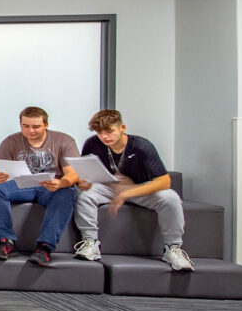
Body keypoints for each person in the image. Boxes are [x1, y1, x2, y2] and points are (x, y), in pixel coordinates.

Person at [73, 109, 194, 271]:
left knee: (170, 197)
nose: (105, 137)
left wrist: (126, 193)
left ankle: (173, 248)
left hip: (140, 189)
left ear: (122, 127)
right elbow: (86, 173)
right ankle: (90, 243)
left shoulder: (142, 146)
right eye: (100, 132)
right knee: (84, 193)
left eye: (109, 131)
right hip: (108, 187)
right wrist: (83, 182)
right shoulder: (92, 143)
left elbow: (164, 182)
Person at [0, 106, 81, 267]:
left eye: (36, 127)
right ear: (20, 124)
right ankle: (5, 242)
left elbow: (73, 174)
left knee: (67, 193)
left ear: (46, 125)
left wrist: (61, 183)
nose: (31, 131)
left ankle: (44, 248)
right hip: (21, 185)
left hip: (50, 187)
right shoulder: (11, 141)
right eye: (26, 126)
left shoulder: (64, 140)